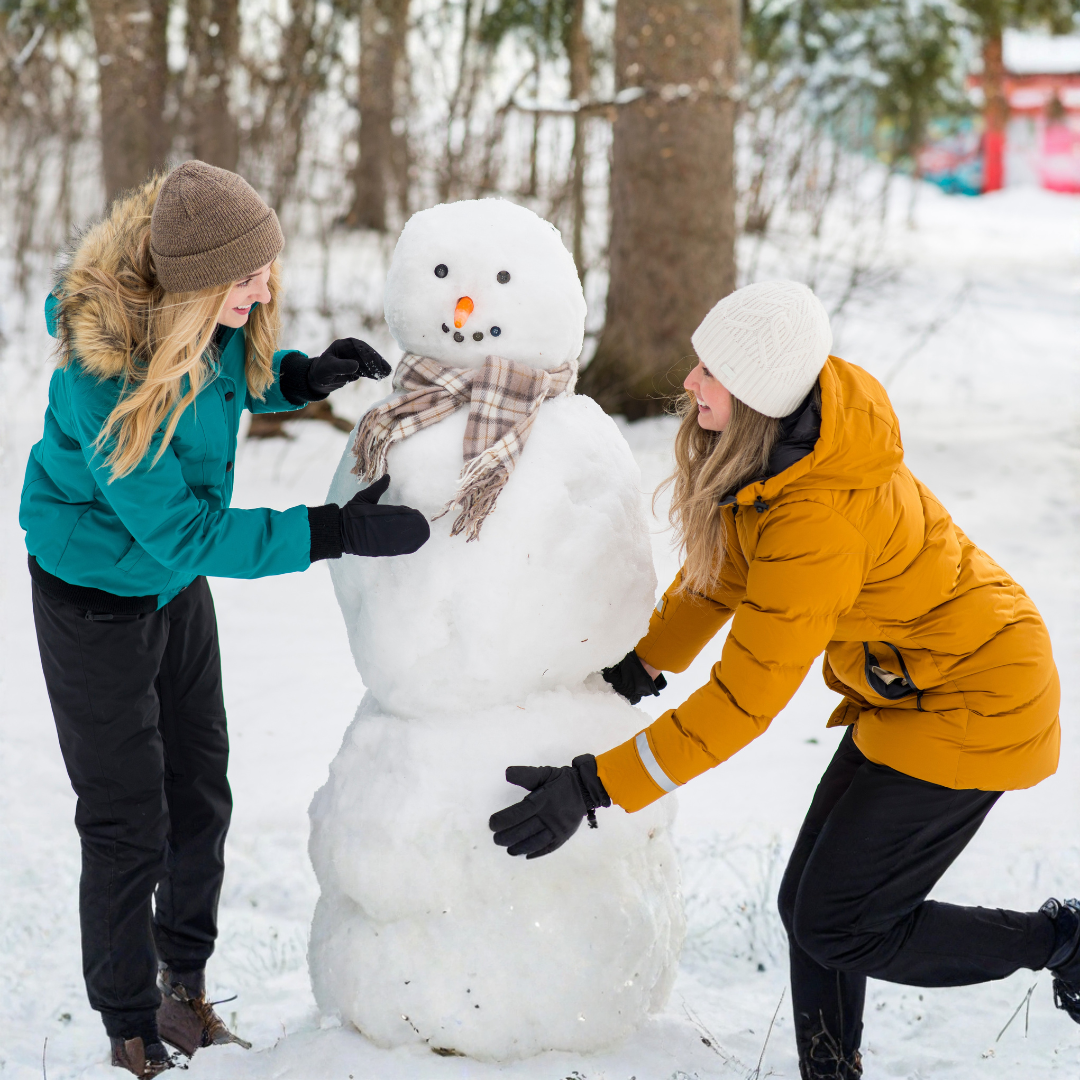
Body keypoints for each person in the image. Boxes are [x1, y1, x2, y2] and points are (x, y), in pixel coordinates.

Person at [489, 280, 1077, 1079]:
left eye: (710, 374)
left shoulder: (818, 520)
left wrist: (594, 788)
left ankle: (1061, 941)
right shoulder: (785, 451)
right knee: (812, 910)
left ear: (760, 395)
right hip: (913, 684)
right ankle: (829, 1072)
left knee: (842, 923)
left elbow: (744, 700)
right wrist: (645, 661)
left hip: (983, 696)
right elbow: (722, 577)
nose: (690, 383)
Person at [21, 161, 430, 1077]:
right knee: (128, 816)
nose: (264, 286)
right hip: (94, 598)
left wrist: (299, 378)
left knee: (200, 788)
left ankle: (182, 989)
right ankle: (129, 1028)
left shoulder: (199, 316)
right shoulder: (104, 375)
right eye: (246, 276)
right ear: (193, 278)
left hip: (167, 589)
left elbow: (226, 377)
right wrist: (332, 531)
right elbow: (184, 533)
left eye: (266, 268)